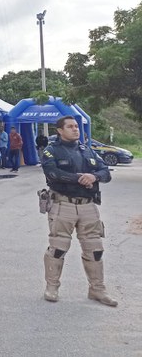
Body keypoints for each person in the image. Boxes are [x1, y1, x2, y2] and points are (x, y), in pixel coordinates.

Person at [40, 116, 117, 306]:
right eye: (71, 126)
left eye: (77, 126)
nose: (76, 129)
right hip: (63, 205)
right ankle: (52, 287)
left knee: (95, 250)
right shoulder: (51, 150)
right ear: (60, 130)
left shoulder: (87, 149)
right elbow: (52, 173)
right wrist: (79, 178)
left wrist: (93, 175)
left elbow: (105, 172)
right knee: (58, 248)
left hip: (88, 206)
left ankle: (97, 290)